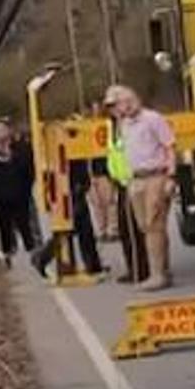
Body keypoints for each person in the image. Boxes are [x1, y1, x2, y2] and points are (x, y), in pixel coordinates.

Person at [105, 85, 175, 291]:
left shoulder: (153, 119)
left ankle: (157, 275)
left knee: (154, 225)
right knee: (146, 227)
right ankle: (163, 268)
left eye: (115, 103)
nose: (114, 109)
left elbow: (169, 146)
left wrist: (171, 177)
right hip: (135, 180)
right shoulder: (123, 124)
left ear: (129, 100)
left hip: (155, 176)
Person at [30, 158, 107, 279]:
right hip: (68, 179)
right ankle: (42, 257)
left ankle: (93, 265)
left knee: (83, 228)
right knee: (72, 226)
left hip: (74, 176)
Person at [0, 120, 38, 266]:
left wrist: (11, 155)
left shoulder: (21, 148)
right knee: (3, 225)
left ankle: (33, 251)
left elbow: (29, 168)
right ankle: (7, 251)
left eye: (4, 129)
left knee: (24, 222)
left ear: (10, 131)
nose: (1, 133)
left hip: (19, 194)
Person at [106, 98, 149, 283]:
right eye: (109, 107)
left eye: (115, 105)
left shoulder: (133, 125)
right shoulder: (111, 127)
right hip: (121, 183)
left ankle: (141, 270)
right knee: (125, 229)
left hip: (135, 180)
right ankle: (134, 268)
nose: (113, 109)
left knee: (135, 229)